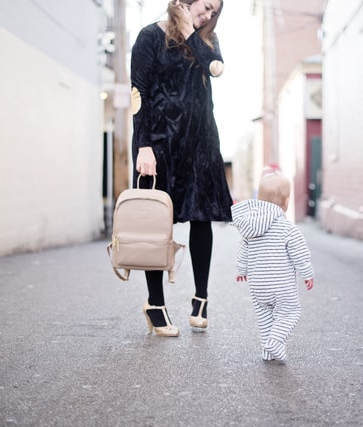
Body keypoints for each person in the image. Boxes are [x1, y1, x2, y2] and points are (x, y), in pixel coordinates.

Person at [130, 0, 232, 337]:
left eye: (215, 12)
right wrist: (144, 146)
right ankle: (155, 303)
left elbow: (216, 68)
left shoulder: (206, 43)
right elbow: (139, 94)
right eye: (206, 7)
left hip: (200, 143)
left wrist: (192, 33)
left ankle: (201, 298)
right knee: (157, 225)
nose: (209, 15)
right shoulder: (149, 37)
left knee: (201, 217)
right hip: (159, 145)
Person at [232, 171, 314, 362]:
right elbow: (300, 254)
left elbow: (243, 249)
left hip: (258, 285)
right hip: (281, 285)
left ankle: (268, 353)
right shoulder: (288, 229)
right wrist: (307, 273)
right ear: (286, 201)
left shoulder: (250, 228)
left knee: (265, 318)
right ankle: (275, 342)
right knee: (290, 311)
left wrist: (241, 269)